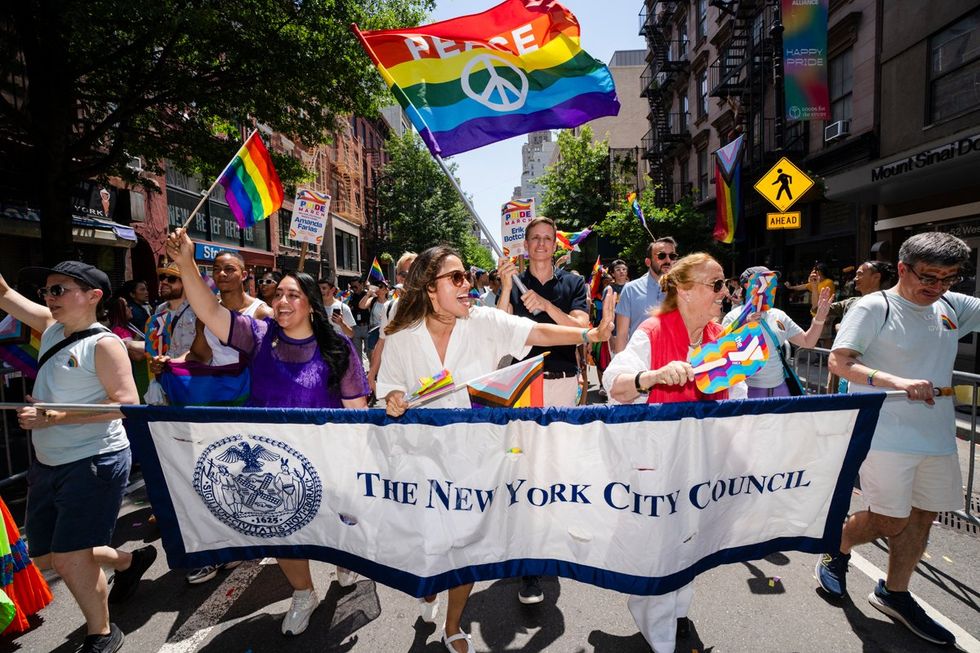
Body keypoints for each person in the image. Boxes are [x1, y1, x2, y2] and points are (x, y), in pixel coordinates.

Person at [378, 245, 614, 653]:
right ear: (430, 289)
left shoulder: (483, 320)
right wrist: (395, 397)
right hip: (422, 460)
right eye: (456, 278)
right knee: (432, 545)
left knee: (463, 543)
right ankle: (430, 586)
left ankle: (454, 624)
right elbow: (389, 386)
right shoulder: (401, 336)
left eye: (467, 277)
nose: (468, 285)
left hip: (475, 458)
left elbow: (535, 332)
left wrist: (587, 334)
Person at [166, 228, 370, 637]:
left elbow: (356, 410)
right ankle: (303, 593)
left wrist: (357, 458)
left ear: (311, 305)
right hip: (273, 463)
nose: (281, 301)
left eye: (293, 295)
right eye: (278, 295)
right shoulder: (257, 337)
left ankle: (344, 560)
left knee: (337, 523)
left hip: (329, 458)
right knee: (282, 531)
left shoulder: (338, 349)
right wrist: (187, 263)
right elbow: (208, 310)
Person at [816, 232, 980, 647]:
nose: (938, 286)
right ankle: (838, 545)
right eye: (929, 276)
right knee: (891, 519)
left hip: (937, 435)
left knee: (924, 517)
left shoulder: (951, 306)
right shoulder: (876, 306)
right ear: (903, 268)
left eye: (949, 278)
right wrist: (895, 381)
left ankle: (895, 592)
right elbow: (840, 360)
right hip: (883, 432)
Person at [1, 262, 153, 653]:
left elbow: (126, 405)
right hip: (49, 462)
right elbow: (3, 295)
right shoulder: (52, 328)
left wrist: (55, 415)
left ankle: (101, 633)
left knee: (69, 558)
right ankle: (126, 562)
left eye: (59, 290)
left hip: (94, 460)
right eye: (47, 291)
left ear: (93, 296)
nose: (49, 298)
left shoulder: (103, 344)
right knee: (48, 553)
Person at [602, 253, 733, 653]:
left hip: (702, 464)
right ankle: (659, 630)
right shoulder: (652, 332)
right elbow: (614, 382)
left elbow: (738, 396)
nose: (724, 293)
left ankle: (676, 612)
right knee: (661, 545)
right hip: (657, 465)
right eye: (716, 284)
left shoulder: (719, 336)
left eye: (723, 284)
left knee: (691, 541)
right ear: (685, 290)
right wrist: (652, 377)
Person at [497, 217, 590, 603]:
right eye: (533, 238)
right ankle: (530, 566)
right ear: (525, 244)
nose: (539, 244)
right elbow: (497, 330)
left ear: (556, 246)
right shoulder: (513, 281)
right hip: (522, 385)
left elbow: (582, 328)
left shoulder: (574, 284)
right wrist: (506, 289)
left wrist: (546, 306)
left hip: (561, 383)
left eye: (546, 239)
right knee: (525, 468)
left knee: (556, 467)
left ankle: (551, 542)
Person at [173, 251, 272, 585]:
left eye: (230, 269)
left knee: (247, 474)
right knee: (214, 474)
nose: (222, 274)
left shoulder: (261, 311)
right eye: (217, 269)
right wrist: (171, 362)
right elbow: (201, 354)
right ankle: (215, 550)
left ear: (244, 274)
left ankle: (249, 539)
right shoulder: (207, 310)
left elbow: (271, 358)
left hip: (250, 403)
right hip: (216, 402)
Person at [721, 266, 831, 397]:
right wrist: (745, 325)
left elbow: (808, 342)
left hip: (780, 390)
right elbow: (723, 355)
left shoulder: (779, 315)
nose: (768, 283)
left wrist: (819, 318)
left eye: (771, 279)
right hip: (749, 391)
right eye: (762, 279)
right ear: (746, 284)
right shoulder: (733, 317)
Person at [613, 237, 678, 354]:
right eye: (662, 256)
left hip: (675, 360)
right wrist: (619, 369)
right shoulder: (631, 289)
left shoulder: (683, 290)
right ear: (648, 262)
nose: (668, 260)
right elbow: (622, 336)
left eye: (672, 256)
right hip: (641, 362)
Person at [367, 252, 417, 396]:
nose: (407, 277)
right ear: (398, 277)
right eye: (403, 273)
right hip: (397, 382)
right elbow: (382, 341)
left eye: (413, 272)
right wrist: (372, 374)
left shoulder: (432, 306)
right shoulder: (389, 307)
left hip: (425, 381)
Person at [106, 293, 150, 402]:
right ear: (118, 311)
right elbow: (137, 357)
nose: (130, 308)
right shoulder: (120, 330)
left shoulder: (127, 327)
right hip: (137, 377)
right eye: (125, 306)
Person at [358, 281, 390, 359]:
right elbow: (361, 306)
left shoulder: (390, 302)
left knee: (386, 355)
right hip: (373, 331)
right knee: (373, 355)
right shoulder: (373, 300)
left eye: (381, 286)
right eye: (377, 286)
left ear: (386, 290)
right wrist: (368, 294)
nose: (378, 288)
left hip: (386, 331)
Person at [347, 278, 371, 362]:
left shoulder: (368, 295)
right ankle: (360, 373)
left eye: (356, 287)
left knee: (370, 352)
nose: (354, 289)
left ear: (361, 285)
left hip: (367, 327)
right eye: (352, 287)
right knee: (357, 355)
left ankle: (373, 372)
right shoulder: (350, 297)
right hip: (355, 327)